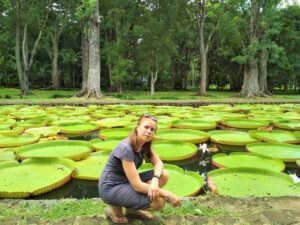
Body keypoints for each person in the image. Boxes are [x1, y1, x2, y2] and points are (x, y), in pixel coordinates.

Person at [98, 113, 181, 223]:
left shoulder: (145, 144)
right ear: (137, 127)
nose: (149, 131)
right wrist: (168, 194)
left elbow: (159, 164)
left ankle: (131, 210)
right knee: (159, 202)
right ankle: (114, 210)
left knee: (163, 174)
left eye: (152, 129)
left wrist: (155, 180)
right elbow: (137, 186)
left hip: (126, 181)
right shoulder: (126, 148)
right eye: (146, 127)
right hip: (111, 187)